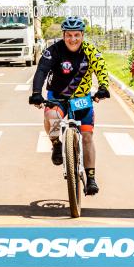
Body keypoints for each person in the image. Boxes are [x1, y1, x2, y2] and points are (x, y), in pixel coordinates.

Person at [29, 16, 110, 195]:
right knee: (51, 116)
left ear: (82, 35)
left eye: (76, 35)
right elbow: (41, 70)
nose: (72, 39)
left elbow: (102, 69)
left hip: (81, 99)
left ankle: (91, 178)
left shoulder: (90, 51)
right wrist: (36, 93)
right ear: (63, 35)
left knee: (87, 136)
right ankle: (56, 143)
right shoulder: (54, 51)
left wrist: (103, 87)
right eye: (68, 35)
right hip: (57, 96)